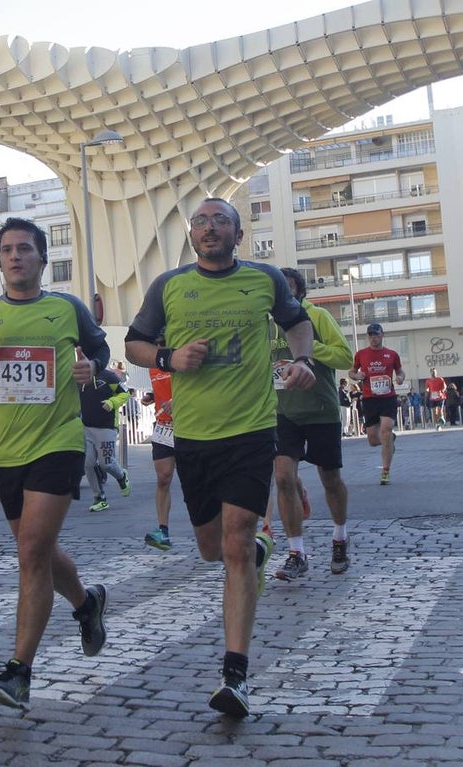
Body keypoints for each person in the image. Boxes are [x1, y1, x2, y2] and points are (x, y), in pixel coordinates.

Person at [124, 198, 316, 719]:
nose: (210, 228)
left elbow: (298, 324)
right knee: (212, 549)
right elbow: (135, 343)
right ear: (191, 234)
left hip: (251, 430)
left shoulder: (264, 279)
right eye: (201, 222)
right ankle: (255, 551)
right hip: (192, 435)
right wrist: (169, 358)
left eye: (221, 221)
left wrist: (302, 359)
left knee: (235, 542)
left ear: (238, 233)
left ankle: (235, 675)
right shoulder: (168, 285)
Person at [0, 216, 109, 710]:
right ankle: (86, 603)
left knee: (32, 551)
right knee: (38, 550)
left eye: (25, 248)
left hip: (59, 442)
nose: (15, 256)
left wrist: (91, 366)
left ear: (42, 258)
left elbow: (99, 348)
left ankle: (19, 673)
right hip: (8, 451)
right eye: (8, 250)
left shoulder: (67, 308)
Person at [268, 267, 353, 581]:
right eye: (277, 290)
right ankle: (297, 552)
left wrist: (305, 347)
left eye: (288, 289)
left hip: (320, 409)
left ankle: (340, 537)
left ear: (300, 292)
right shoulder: (266, 324)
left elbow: (345, 358)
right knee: (283, 478)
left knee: (330, 478)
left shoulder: (316, 317)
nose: (283, 295)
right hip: (281, 412)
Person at [349, 323, 404, 484]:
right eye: (371, 335)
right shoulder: (361, 354)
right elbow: (351, 371)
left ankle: (385, 471)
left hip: (388, 397)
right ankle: (390, 440)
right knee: (373, 440)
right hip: (369, 399)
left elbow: (400, 371)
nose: (373, 338)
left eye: (376, 335)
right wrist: (357, 376)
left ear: (382, 335)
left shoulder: (392, 354)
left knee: (385, 430)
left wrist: (400, 377)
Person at [78, 363, 131, 512]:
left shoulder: (109, 376)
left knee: (106, 463)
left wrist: (111, 402)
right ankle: (100, 499)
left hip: (106, 427)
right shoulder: (80, 378)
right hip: (86, 427)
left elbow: (125, 394)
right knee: (88, 464)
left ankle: (122, 476)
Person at [141, 363, 176, 550]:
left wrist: (178, 400)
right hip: (163, 427)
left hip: (190, 423)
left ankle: (213, 529)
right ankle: (163, 531)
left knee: (197, 480)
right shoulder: (152, 363)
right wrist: (152, 395)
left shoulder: (179, 354)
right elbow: (162, 385)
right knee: (163, 478)